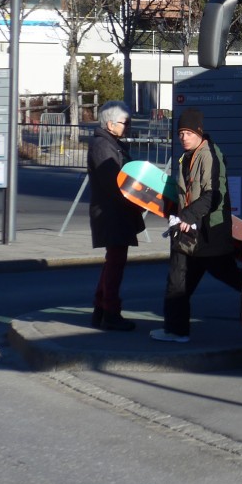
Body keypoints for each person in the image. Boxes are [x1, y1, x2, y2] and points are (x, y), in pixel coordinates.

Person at [150, 108, 242, 344]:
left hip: (207, 234)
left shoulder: (209, 155)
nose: (183, 137)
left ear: (199, 132)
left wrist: (186, 217)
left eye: (188, 132)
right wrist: (175, 213)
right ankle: (176, 330)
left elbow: (214, 196)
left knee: (228, 276)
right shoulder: (189, 156)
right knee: (178, 282)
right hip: (190, 233)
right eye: (180, 132)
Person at [87, 99, 144, 332]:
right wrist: (139, 201)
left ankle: (101, 309)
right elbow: (115, 183)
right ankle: (110, 313)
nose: (127, 126)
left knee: (113, 261)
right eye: (124, 122)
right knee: (115, 263)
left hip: (115, 212)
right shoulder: (103, 146)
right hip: (111, 213)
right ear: (110, 124)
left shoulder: (110, 143)